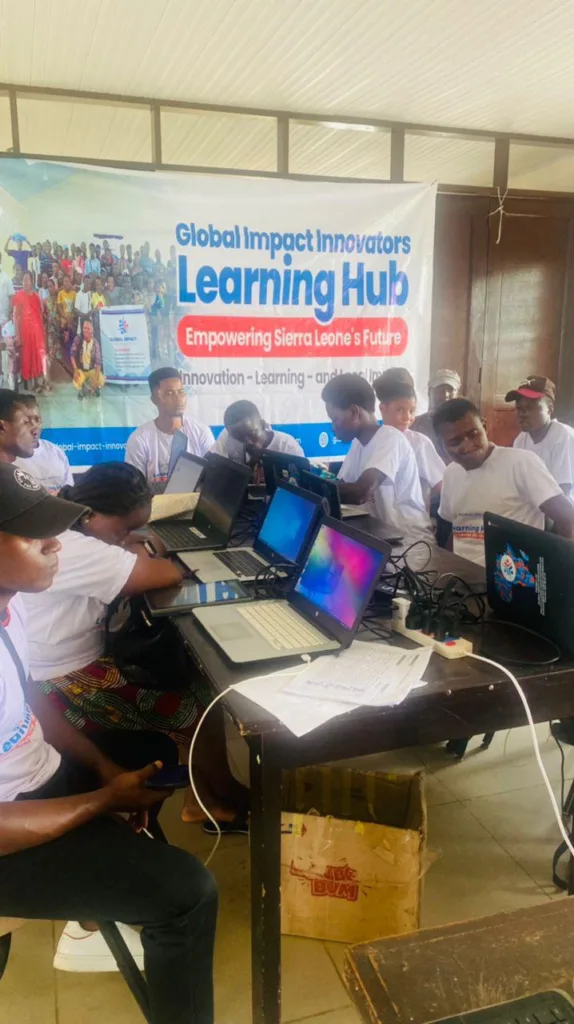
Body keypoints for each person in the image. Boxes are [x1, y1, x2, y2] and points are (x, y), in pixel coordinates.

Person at [0, 462, 218, 1016]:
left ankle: (99, 901)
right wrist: (102, 801)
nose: (55, 544)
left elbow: (32, 704)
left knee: (151, 757)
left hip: (36, 778)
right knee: (188, 894)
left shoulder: (9, 607)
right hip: (9, 829)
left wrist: (101, 769)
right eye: (32, 534)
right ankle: (94, 914)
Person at [24, 462, 246, 826]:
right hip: (64, 681)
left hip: (64, 663)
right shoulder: (75, 548)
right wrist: (144, 546)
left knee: (187, 675)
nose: (126, 536)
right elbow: (167, 573)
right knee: (198, 705)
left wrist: (129, 541)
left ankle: (204, 796)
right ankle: (219, 797)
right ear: (90, 514)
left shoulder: (72, 528)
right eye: (124, 528)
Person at [434, 398, 574, 566]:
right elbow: (458, 529)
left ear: (484, 426)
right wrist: (446, 567)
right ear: (441, 446)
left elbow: (568, 518)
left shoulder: (520, 463)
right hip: (463, 574)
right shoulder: (451, 473)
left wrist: (556, 570)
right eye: (455, 441)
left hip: (511, 576)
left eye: (473, 434)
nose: (468, 444)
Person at [322, 373, 433, 549]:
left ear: (354, 412)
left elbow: (360, 492)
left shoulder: (391, 439)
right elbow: (342, 484)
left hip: (411, 545)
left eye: (335, 419)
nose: (333, 427)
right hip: (382, 539)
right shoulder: (358, 444)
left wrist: (312, 487)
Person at [125, 367, 214, 489]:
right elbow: (134, 488)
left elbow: (212, 479)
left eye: (181, 392)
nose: (178, 399)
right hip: (154, 501)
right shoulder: (140, 439)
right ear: (154, 399)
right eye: (169, 393)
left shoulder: (201, 432)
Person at [374, 377, 445, 510]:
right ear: (383, 408)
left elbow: (442, 486)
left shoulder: (419, 443)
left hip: (410, 520)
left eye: (412, 411)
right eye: (400, 410)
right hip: (375, 519)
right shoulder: (372, 439)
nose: (407, 417)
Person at [506, 375, 574, 495]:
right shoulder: (521, 439)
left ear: (549, 409)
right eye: (519, 408)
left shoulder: (563, 436)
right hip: (534, 503)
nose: (522, 414)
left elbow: (563, 492)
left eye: (530, 408)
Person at [13, 394, 73, 493]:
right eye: (26, 422)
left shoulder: (56, 452)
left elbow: (70, 492)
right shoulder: (8, 458)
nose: (34, 426)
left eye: (37, 420)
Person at [212, 399, 304, 463]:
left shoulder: (287, 447)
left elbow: (302, 483)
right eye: (240, 438)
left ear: (263, 425)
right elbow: (208, 468)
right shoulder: (227, 436)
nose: (248, 442)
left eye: (252, 434)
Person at [412, 368, 461, 462]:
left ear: (457, 393)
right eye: (440, 390)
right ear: (429, 392)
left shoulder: (464, 425)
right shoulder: (415, 424)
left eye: (450, 390)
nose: (446, 394)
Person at [12, 271, 47, 392]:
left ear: (32, 281)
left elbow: (40, 315)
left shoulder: (36, 296)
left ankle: (37, 382)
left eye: (28, 280)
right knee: (26, 356)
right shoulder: (19, 296)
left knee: (37, 356)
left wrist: (41, 333)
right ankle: (27, 381)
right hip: (25, 333)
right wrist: (17, 335)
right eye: (24, 280)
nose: (26, 282)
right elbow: (15, 316)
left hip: (37, 333)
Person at [70, 319, 105, 399]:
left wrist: (96, 378)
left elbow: (98, 361)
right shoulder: (78, 339)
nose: (86, 330)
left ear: (92, 330)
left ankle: (95, 388)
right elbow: (72, 354)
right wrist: (75, 370)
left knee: (101, 380)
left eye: (88, 328)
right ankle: (82, 389)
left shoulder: (95, 342)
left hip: (91, 369)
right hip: (81, 369)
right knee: (77, 381)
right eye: (84, 328)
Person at [0, 254, 15, 387]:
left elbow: (12, 298)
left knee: (10, 348)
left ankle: (11, 375)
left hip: (5, 320)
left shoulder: (6, 278)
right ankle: (0, 375)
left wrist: (10, 317)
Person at [57, 273, 77, 362]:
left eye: (68, 281)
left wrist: (71, 317)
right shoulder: (60, 293)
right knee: (64, 341)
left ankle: (71, 359)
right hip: (63, 321)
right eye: (65, 281)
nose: (66, 283)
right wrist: (65, 316)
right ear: (63, 283)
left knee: (72, 341)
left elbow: (75, 307)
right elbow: (59, 307)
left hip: (72, 320)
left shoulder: (74, 293)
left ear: (70, 282)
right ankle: (65, 360)